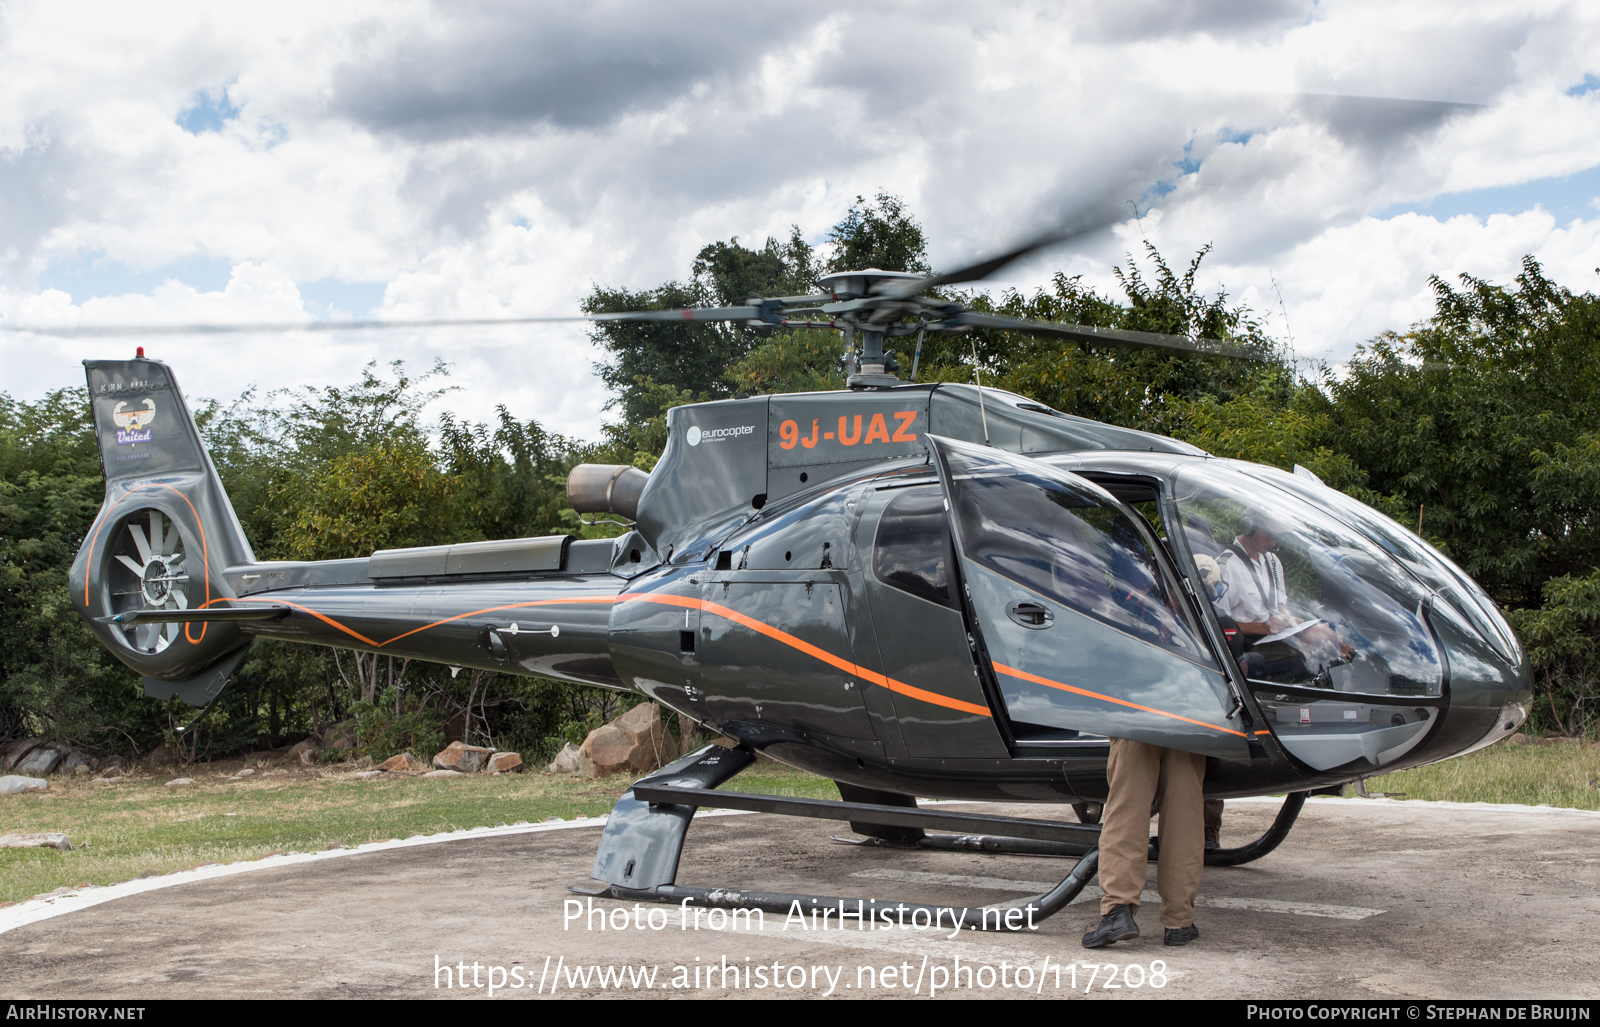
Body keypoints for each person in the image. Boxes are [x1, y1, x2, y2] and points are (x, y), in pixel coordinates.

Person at [1082, 738, 1206, 948]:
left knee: (1127, 811)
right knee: (1184, 817)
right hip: (1189, 719)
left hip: (1137, 716)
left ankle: (1118, 911)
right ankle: (1179, 921)